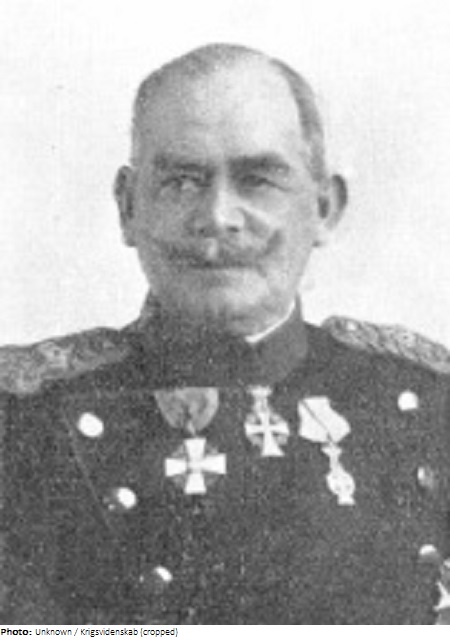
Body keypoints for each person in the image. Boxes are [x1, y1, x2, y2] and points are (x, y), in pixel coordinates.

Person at [2, 43, 450, 625]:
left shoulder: (428, 406)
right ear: (128, 208)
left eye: (258, 180)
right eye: (181, 182)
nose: (217, 216)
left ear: (324, 208)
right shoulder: (23, 422)